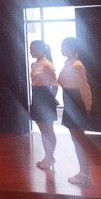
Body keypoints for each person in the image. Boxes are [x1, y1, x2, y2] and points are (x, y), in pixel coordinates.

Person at [57, 37, 93, 185]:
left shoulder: (77, 65)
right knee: (76, 140)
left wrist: (87, 107)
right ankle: (83, 172)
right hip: (70, 101)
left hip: (76, 103)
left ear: (71, 48)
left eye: (63, 46)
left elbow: (84, 88)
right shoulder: (69, 62)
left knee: (79, 141)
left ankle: (85, 174)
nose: (61, 49)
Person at [29, 40, 58, 170]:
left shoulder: (47, 64)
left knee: (48, 129)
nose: (31, 51)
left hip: (45, 97)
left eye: (32, 49)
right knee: (42, 129)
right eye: (30, 49)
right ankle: (48, 156)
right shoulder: (33, 64)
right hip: (36, 95)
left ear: (40, 49)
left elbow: (55, 84)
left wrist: (51, 99)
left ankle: (49, 157)